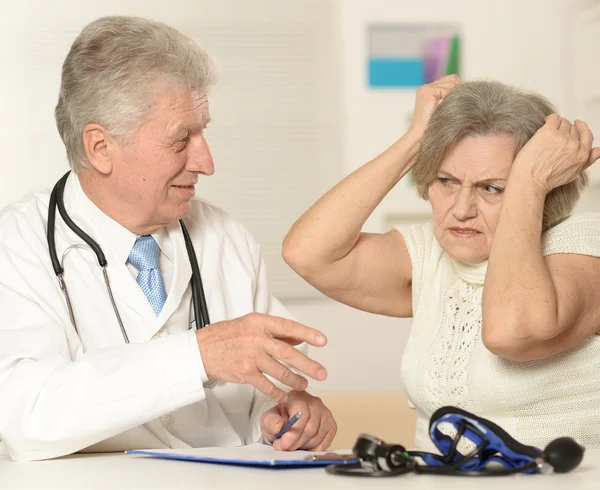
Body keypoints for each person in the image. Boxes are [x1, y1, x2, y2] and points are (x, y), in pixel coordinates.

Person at [0, 16, 336, 462]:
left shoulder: (227, 238)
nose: (207, 161)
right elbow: (26, 417)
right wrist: (197, 357)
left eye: (204, 131)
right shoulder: (18, 244)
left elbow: (262, 399)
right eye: (182, 138)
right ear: (101, 147)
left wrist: (287, 417)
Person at [282, 75, 600, 451]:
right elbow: (307, 252)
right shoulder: (432, 253)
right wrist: (417, 138)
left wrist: (528, 182)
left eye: (492, 188)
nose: (461, 210)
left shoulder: (583, 244)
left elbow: (510, 333)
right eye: (446, 180)